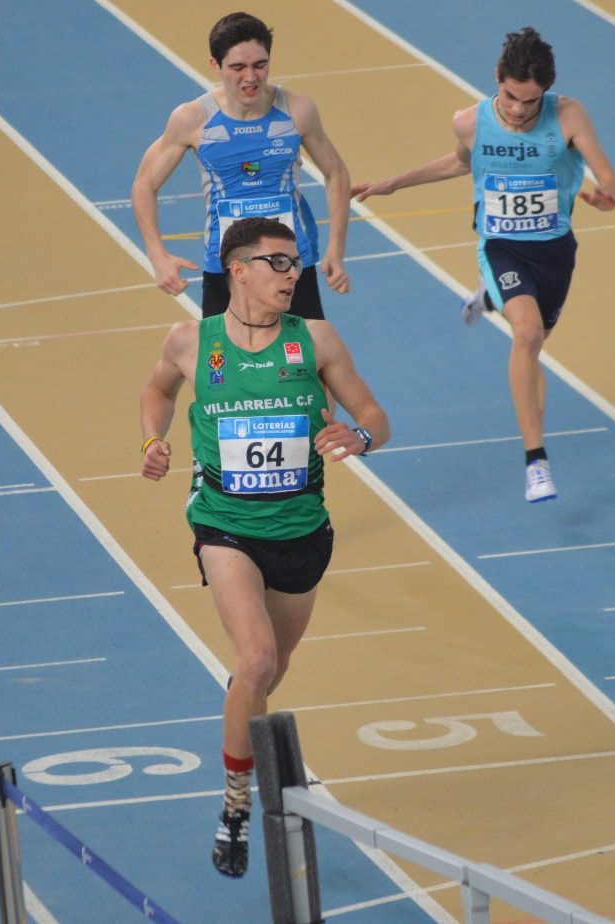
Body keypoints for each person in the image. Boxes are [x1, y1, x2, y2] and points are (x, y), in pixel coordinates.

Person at [139, 217, 389, 878]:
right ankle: (234, 810)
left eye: (295, 263)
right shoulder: (192, 340)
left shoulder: (318, 341)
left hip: (301, 530)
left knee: (267, 674)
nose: (292, 276)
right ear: (238, 268)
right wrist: (153, 439)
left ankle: (242, 707)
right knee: (255, 660)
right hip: (224, 523)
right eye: (278, 263)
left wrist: (357, 440)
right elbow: (158, 389)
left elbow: (374, 416)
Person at [352, 27, 615, 503]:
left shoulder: (569, 115)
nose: (519, 110)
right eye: (511, 97)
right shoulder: (470, 121)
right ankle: (536, 462)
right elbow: (460, 163)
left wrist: (606, 196)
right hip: (501, 245)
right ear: (498, 78)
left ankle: (488, 295)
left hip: (555, 251)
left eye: (531, 101)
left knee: (534, 347)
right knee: (528, 334)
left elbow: (611, 181)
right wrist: (394, 183)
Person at [132, 11, 352, 319]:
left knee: (305, 365)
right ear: (215, 65)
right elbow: (145, 184)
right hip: (226, 269)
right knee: (222, 368)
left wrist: (336, 251)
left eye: (260, 65)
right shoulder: (193, 119)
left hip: (291, 266)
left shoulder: (297, 111)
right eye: (238, 67)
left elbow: (336, 173)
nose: (251, 78)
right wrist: (158, 257)